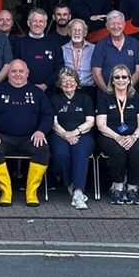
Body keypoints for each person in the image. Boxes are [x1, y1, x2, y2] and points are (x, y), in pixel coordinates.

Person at [0, 59, 53, 207]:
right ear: (8, 74)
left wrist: (41, 131)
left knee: (43, 149)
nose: (17, 74)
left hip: (30, 137)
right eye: (13, 71)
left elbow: (47, 116)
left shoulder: (37, 92)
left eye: (21, 71)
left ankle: (31, 192)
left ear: (27, 73)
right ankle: (6, 191)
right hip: (3, 137)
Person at [96, 64, 139, 205]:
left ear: (130, 80)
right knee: (117, 150)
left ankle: (133, 188)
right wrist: (117, 137)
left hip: (134, 135)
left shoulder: (137, 98)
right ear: (112, 81)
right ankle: (118, 187)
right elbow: (101, 124)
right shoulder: (105, 97)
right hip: (110, 135)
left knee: (137, 149)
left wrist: (134, 137)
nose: (121, 80)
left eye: (124, 77)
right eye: (117, 77)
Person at [48, 67, 95, 210]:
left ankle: (78, 191)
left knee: (80, 152)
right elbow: (53, 122)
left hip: (83, 134)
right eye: (64, 80)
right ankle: (70, 184)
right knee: (61, 153)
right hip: (59, 134)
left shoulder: (85, 98)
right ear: (59, 84)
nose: (68, 83)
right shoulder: (54, 99)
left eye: (71, 79)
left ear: (76, 82)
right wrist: (65, 134)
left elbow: (90, 121)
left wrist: (75, 132)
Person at [91, 10, 139, 93]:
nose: (116, 26)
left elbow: (138, 71)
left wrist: (126, 89)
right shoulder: (100, 45)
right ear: (107, 26)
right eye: (112, 24)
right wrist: (107, 91)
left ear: (124, 24)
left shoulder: (134, 43)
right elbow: (96, 73)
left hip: (130, 92)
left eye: (119, 23)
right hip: (107, 93)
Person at [14, 8, 62, 93]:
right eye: (35, 21)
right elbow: (13, 67)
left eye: (41, 21)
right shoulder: (19, 43)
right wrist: (28, 85)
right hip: (23, 90)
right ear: (29, 23)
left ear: (45, 24)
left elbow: (59, 68)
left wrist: (45, 85)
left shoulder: (54, 43)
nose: (38, 24)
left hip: (49, 92)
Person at [62, 18, 96, 100]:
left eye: (80, 30)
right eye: (74, 30)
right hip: (68, 89)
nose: (77, 33)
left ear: (85, 33)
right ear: (69, 32)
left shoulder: (94, 49)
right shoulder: (62, 49)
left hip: (89, 90)